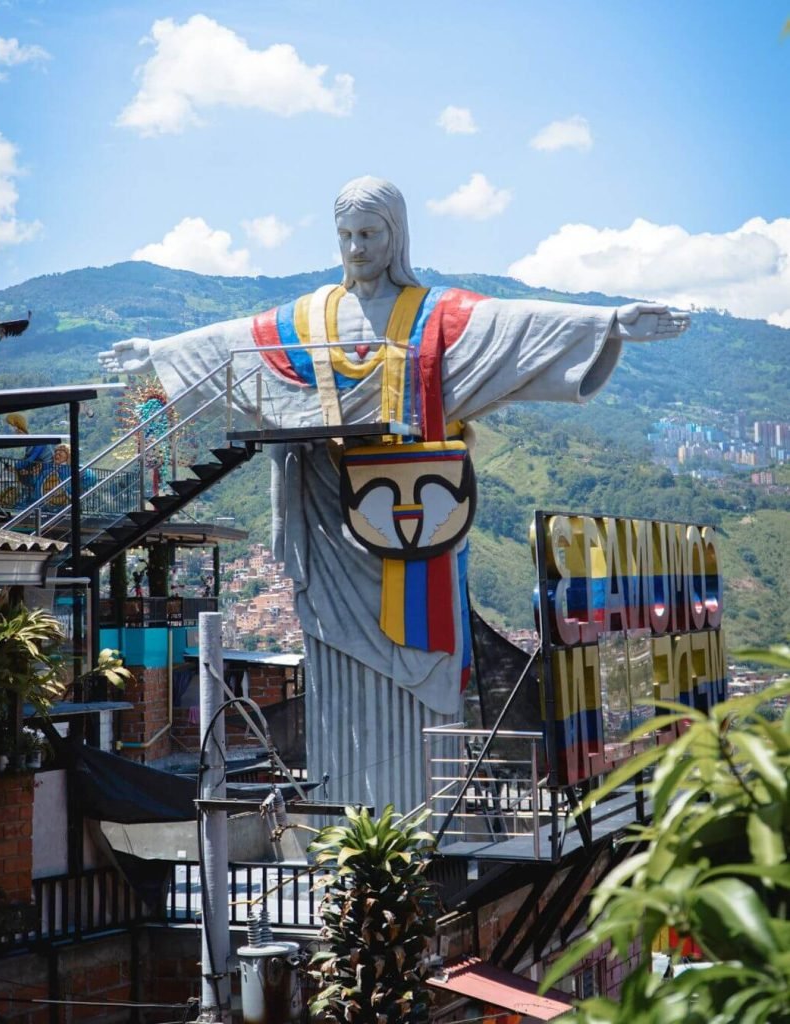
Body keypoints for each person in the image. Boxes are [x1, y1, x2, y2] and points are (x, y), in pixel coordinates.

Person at [100, 176, 688, 811]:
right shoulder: (308, 320)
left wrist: (607, 323)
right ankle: (344, 824)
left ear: (396, 235)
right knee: (334, 660)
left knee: (418, 662)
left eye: (369, 234)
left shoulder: (436, 316)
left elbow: (510, 323)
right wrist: (158, 352)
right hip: (326, 517)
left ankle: (413, 820)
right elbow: (236, 340)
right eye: (346, 235)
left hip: (413, 526)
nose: (356, 248)